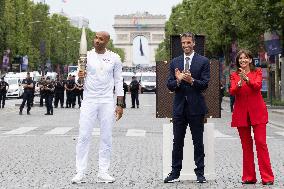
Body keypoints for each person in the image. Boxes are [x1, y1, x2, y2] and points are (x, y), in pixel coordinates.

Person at [71, 31, 124, 184]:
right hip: (89, 101)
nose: (97, 41)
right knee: (83, 136)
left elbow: (118, 81)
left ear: (107, 41)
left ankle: (103, 171)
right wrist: (80, 77)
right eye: (95, 38)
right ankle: (80, 172)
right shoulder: (85, 56)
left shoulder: (115, 58)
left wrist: (120, 105)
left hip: (107, 101)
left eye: (101, 39)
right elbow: (79, 83)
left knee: (106, 137)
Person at [164, 32, 210, 184]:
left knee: (198, 142)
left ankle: (200, 173)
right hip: (179, 108)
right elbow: (169, 85)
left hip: (196, 108)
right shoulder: (174, 62)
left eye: (188, 42)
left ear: (194, 43)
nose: (185, 45)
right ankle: (175, 172)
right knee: (177, 142)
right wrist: (177, 81)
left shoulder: (203, 61)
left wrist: (191, 81)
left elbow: (205, 84)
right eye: (183, 43)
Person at [229, 49, 274, 185]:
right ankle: (249, 176)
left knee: (261, 143)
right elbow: (231, 91)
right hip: (241, 114)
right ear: (238, 61)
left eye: (245, 58)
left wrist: (247, 79)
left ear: (250, 60)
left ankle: (267, 177)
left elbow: (257, 86)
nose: (243, 60)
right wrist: (238, 83)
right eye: (240, 58)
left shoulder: (257, 72)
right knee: (246, 146)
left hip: (258, 113)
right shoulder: (234, 75)